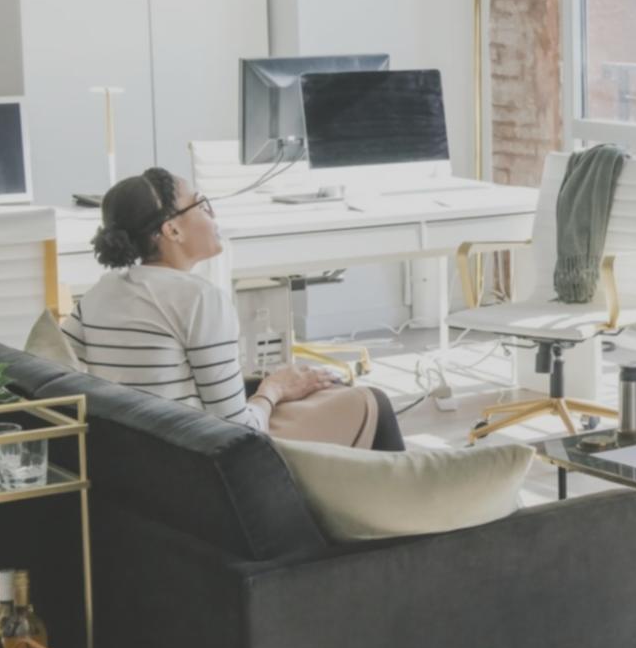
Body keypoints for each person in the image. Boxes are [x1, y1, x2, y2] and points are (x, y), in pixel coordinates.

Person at [61, 168, 404, 449]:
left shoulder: (97, 295)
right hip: (198, 460)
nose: (213, 214)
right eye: (202, 204)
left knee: (314, 392)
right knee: (370, 402)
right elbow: (238, 432)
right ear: (172, 229)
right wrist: (273, 390)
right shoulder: (199, 299)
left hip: (146, 452)